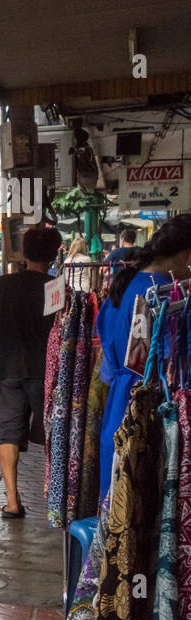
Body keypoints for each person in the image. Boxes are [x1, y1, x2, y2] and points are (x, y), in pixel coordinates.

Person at [95, 214, 191, 502]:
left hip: (120, 406)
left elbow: (107, 360)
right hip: (150, 411)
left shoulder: (126, 284)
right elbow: (171, 361)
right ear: (186, 255)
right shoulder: (166, 294)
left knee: (117, 503)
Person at [0, 225, 64, 517]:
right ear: (52, 256)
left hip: (8, 370)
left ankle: (12, 501)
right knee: (54, 434)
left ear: (24, 254)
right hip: (45, 373)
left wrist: (1, 332)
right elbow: (61, 327)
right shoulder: (56, 287)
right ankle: (58, 497)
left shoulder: (4, 284)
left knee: (7, 434)